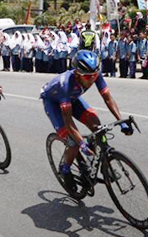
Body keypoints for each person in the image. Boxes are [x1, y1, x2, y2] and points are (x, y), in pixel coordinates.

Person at [41, 50, 132, 192]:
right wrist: (82, 145)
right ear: (77, 73)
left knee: (97, 127)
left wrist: (121, 121)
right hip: (54, 102)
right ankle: (65, 169)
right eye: (88, 76)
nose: (92, 79)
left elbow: (107, 98)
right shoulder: (65, 84)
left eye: (94, 75)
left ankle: (101, 165)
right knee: (73, 142)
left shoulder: (94, 74)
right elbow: (69, 122)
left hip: (73, 99)